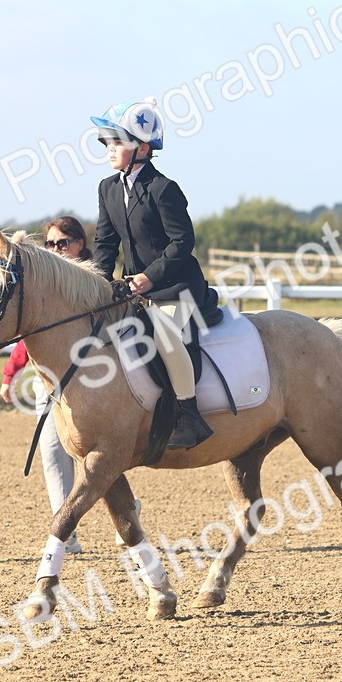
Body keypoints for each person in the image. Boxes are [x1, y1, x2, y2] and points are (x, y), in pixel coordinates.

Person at [0, 216, 140, 551]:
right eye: (50, 244)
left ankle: (128, 515)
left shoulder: (92, 285)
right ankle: (66, 531)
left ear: (80, 244)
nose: (56, 249)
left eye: (63, 243)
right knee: (52, 450)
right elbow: (28, 337)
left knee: (100, 456)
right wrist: (10, 374)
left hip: (94, 383)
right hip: (50, 382)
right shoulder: (46, 285)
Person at [90, 99, 218, 449]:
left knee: (164, 334)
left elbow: (182, 241)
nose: (109, 149)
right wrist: (96, 285)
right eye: (106, 142)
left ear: (142, 148)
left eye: (117, 141)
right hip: (133, 288)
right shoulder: (108, 189)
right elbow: (104, 243)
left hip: (174, 287)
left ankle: (189, 414)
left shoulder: (164, 189)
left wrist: (148, 277)